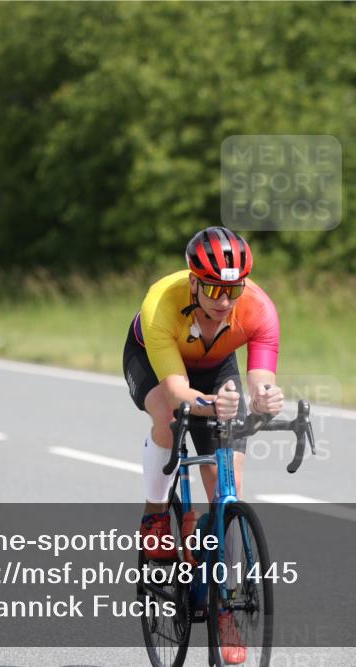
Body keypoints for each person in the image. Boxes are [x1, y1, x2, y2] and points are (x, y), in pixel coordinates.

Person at [123, 227, 284, 663]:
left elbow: (260, 379)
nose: (223, 300)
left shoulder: (260, 309)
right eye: (213, 287)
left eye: (233, 289)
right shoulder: (161, 302)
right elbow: (177, 390)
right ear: (193, 280)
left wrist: (266, 396)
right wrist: (211, 404)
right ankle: (156, 516)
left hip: (216, 367)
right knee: (168, 415)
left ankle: (223, 604)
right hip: (158, 365)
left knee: (227, 491)